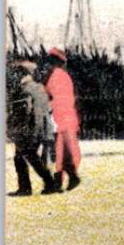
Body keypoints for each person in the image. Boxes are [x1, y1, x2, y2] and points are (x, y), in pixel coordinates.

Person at [7, 60, 59, 196]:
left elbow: (25, 111)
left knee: (29, 158)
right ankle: (29, 187)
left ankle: (46, 184)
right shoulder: (39, 87)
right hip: (39, 127)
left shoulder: (22, 88)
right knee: (22, 157)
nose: (14, 75)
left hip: (27, 129)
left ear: (21, 73)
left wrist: (14, 127)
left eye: (16, 72)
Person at [42, 48, 82, 191]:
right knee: (61, 151)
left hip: (60, 118)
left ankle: (62, 181)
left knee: (58, 151)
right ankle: (68, 178)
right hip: (65, 118)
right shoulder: (62, 75)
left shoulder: (56, 76)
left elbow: (54, 96)